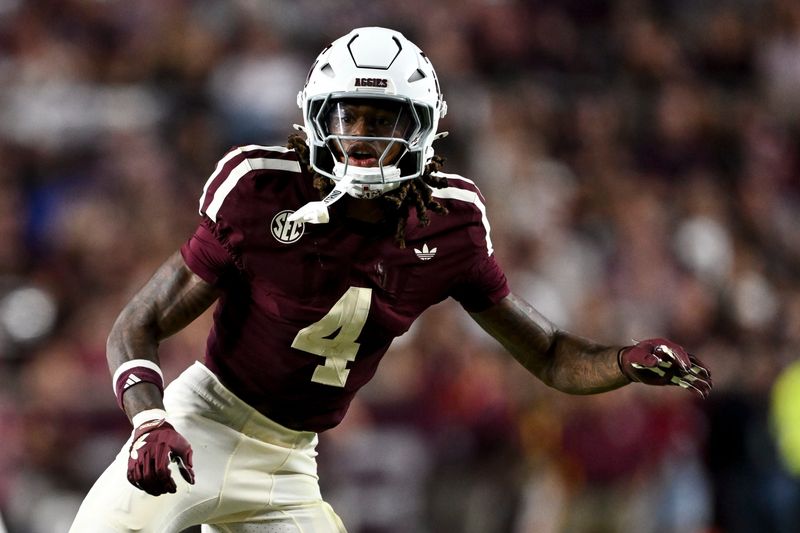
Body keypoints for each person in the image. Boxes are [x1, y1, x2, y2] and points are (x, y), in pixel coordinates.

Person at [69, 26, 711, 532]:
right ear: (317, 119)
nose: (360, 139)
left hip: (289, 462)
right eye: (348, 117)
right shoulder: (260, 190)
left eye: (383, 121)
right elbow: (139, 323)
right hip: (198, 424)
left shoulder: (450, 222)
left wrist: (624, 361)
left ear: (423, 129)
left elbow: (546, 353)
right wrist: (148, 419)